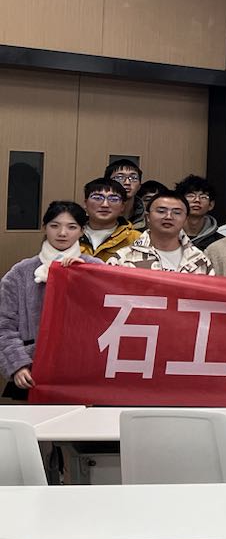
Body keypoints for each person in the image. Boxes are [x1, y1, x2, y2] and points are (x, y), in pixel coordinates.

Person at [0, 201, 99, 399]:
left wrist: (85, 275)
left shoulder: (96, 268)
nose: (62, 233)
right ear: (45, 228)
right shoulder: (20, 272)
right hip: (32, 368)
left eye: (72, 227)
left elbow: (105, 317)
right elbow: (4, 325)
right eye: (55, 226)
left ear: (82, 231)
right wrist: (17, 364)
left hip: (83, 369)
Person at [113, 189, 216, 274]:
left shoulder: (200, 260)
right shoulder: (124, 257)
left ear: (185, 218)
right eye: (161, 211)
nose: (168, 217)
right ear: (147, 217)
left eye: (177, 212)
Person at [78, 177, 141, 261]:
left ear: (122, 206)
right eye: (97, 198)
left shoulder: (136, 238)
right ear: (85, 203)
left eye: (114, 199)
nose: (105, 205)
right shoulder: (70, 233)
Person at [175, 174, 223, 250]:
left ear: (211, 205)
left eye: (203, 197)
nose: (197, 200)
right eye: (191, 196)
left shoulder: (220, 242)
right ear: (179, 202)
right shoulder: (167, 236)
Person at [104, 158, 143, 224]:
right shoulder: (98, 214)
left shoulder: (148, 219)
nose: (127, 182)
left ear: (139, 186)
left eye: (133, 178)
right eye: (120, 177)